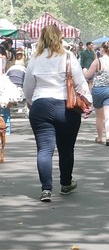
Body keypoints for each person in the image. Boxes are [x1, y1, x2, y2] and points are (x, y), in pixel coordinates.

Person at [22, 24, 92, 202]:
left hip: (41, 106)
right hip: (66, 107)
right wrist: (88, 103)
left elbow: (27, 88)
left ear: (41, 39)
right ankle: (66, 183)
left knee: (44, 150)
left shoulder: (35, 59)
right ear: (60, 38)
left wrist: (32, 103)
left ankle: (46, 189)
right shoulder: (68, 57)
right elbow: (80, 83)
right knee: (66, 149)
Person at [85, 41, 109, 146]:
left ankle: (100, 138)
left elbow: (88, 76)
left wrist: (84, 70)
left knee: (99, 117)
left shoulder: (97, 62)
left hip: (98, 90)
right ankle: (108, 137)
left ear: (102, 50)